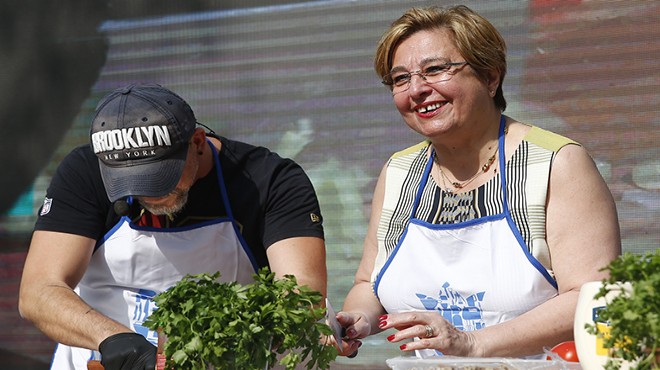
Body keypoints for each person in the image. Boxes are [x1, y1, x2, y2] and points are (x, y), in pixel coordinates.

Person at [335, 5, 621, 359]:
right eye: (400, 79)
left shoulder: (555, 162)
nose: (417, 89)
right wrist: (357, 319)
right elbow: (368, 283)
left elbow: (592, 296)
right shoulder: (398, 172)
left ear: (490, 77)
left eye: (435, 70)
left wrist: (471, 343)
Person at [18, 83, 327, 370]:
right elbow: (39, 290)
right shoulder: (83, 172)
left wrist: (222, 345)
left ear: (197, 142)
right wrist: (115, 340)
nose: (149, 194)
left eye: (161, 177)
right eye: (132, 182)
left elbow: (303, 294)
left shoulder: (269, 180)